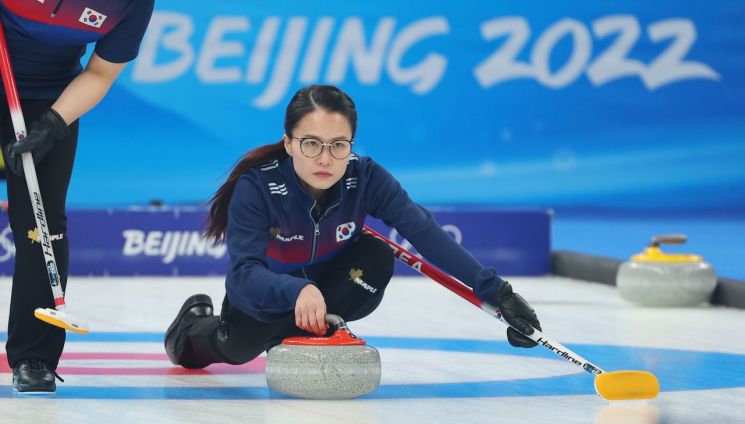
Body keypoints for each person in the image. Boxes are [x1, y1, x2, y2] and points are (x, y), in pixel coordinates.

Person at [165, 84, 542, 371]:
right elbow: (245, 273)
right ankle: (191, 328)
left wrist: (498, 292)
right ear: (289, 143)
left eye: (338, 145)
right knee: (234, 350)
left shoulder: (365, 178)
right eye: (311, 144)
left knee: (375, 256)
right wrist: (296, 288)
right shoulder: (257, 187)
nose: (325, 159)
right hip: (263, 298)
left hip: (324, 288)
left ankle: (301, 332)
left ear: (351, 145)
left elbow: (424, 231)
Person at [0, 1, 154, 393]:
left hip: (49, 98)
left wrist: (52, 125)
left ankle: (35, 356)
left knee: (42, 225)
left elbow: (101, 72)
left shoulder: (132, 4)